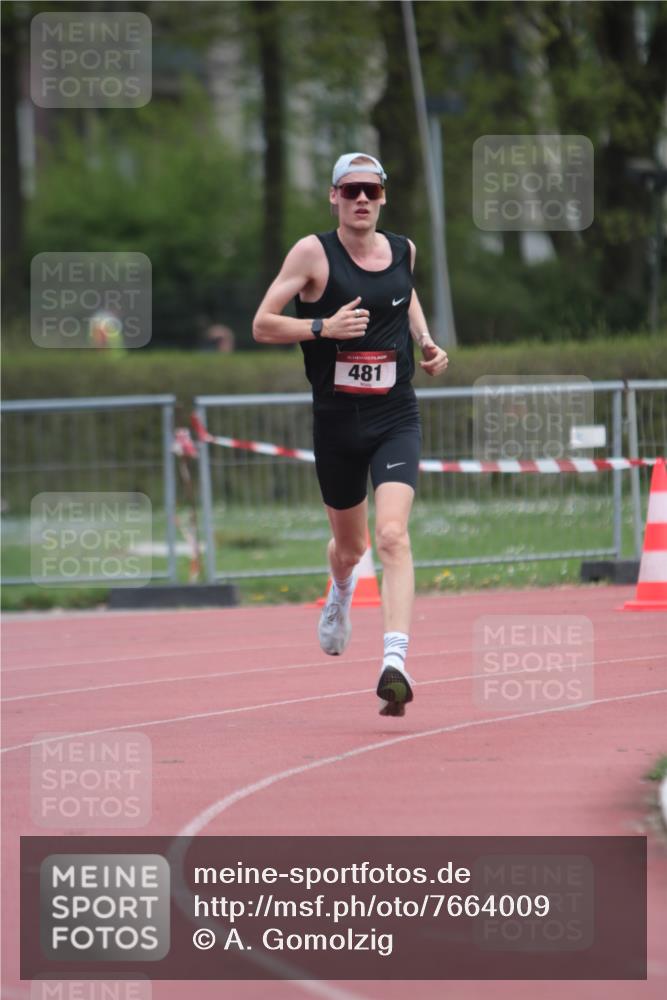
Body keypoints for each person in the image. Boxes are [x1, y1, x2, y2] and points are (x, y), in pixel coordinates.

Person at [253, 152, 449, 717]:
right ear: (334, 197)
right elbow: (262, 323)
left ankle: (395, 662)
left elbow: (403, 291)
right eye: (350, 191)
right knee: (351, 548)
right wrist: (323, 326)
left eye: (371, 191)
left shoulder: (404, 249)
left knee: (392, 537)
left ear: (384, 197)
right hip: (337, 423)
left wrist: (427, 341)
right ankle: (339, 592)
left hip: (395, 417)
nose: (361, 200)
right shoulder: (314, 253)